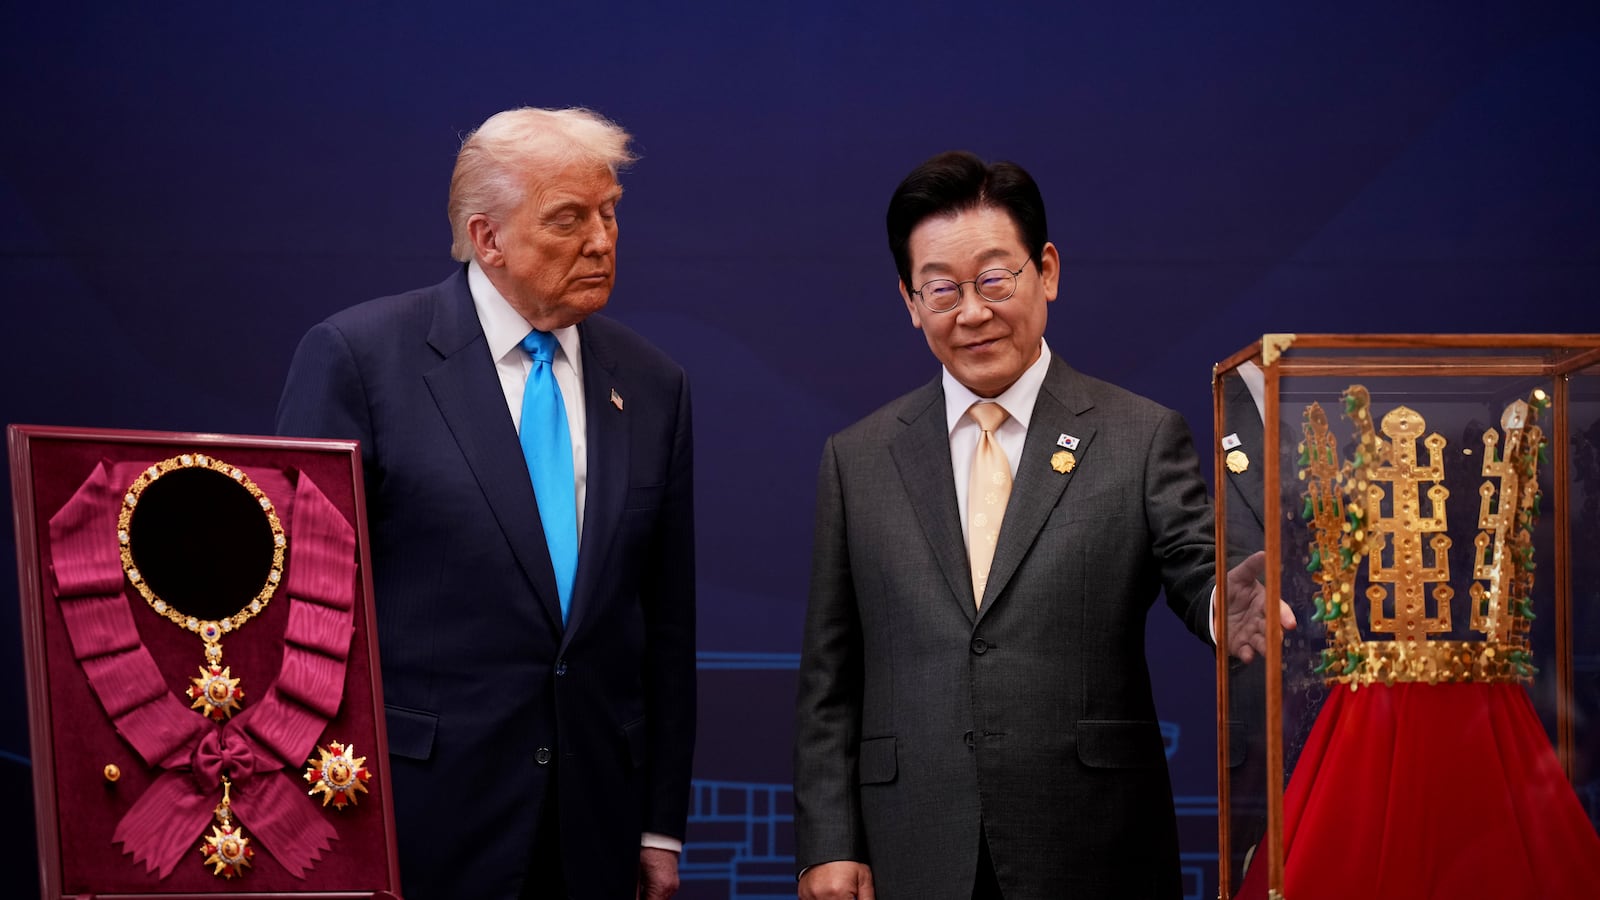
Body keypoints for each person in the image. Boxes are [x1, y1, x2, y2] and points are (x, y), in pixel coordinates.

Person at [792, 151, 1290, 899]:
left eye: (995, 278)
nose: (972, 311)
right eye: (941, 289)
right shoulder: (858, 459)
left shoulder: (1137, 435)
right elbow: (831, 678)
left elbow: (1194, 560)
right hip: (913, 846)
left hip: (1093, 842)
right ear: (908, 299)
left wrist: (1228, 605)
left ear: (1046, 271)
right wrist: (828, 843)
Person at [275, 107, 695, 900]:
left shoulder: (651, 385)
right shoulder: (360, 360)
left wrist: (658, 824)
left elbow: (665, 627)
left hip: (594, 832)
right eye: (569, 219)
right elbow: (304, 614)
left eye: (609, 213)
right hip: (411, 819)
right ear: (488, 236)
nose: (602, 241)